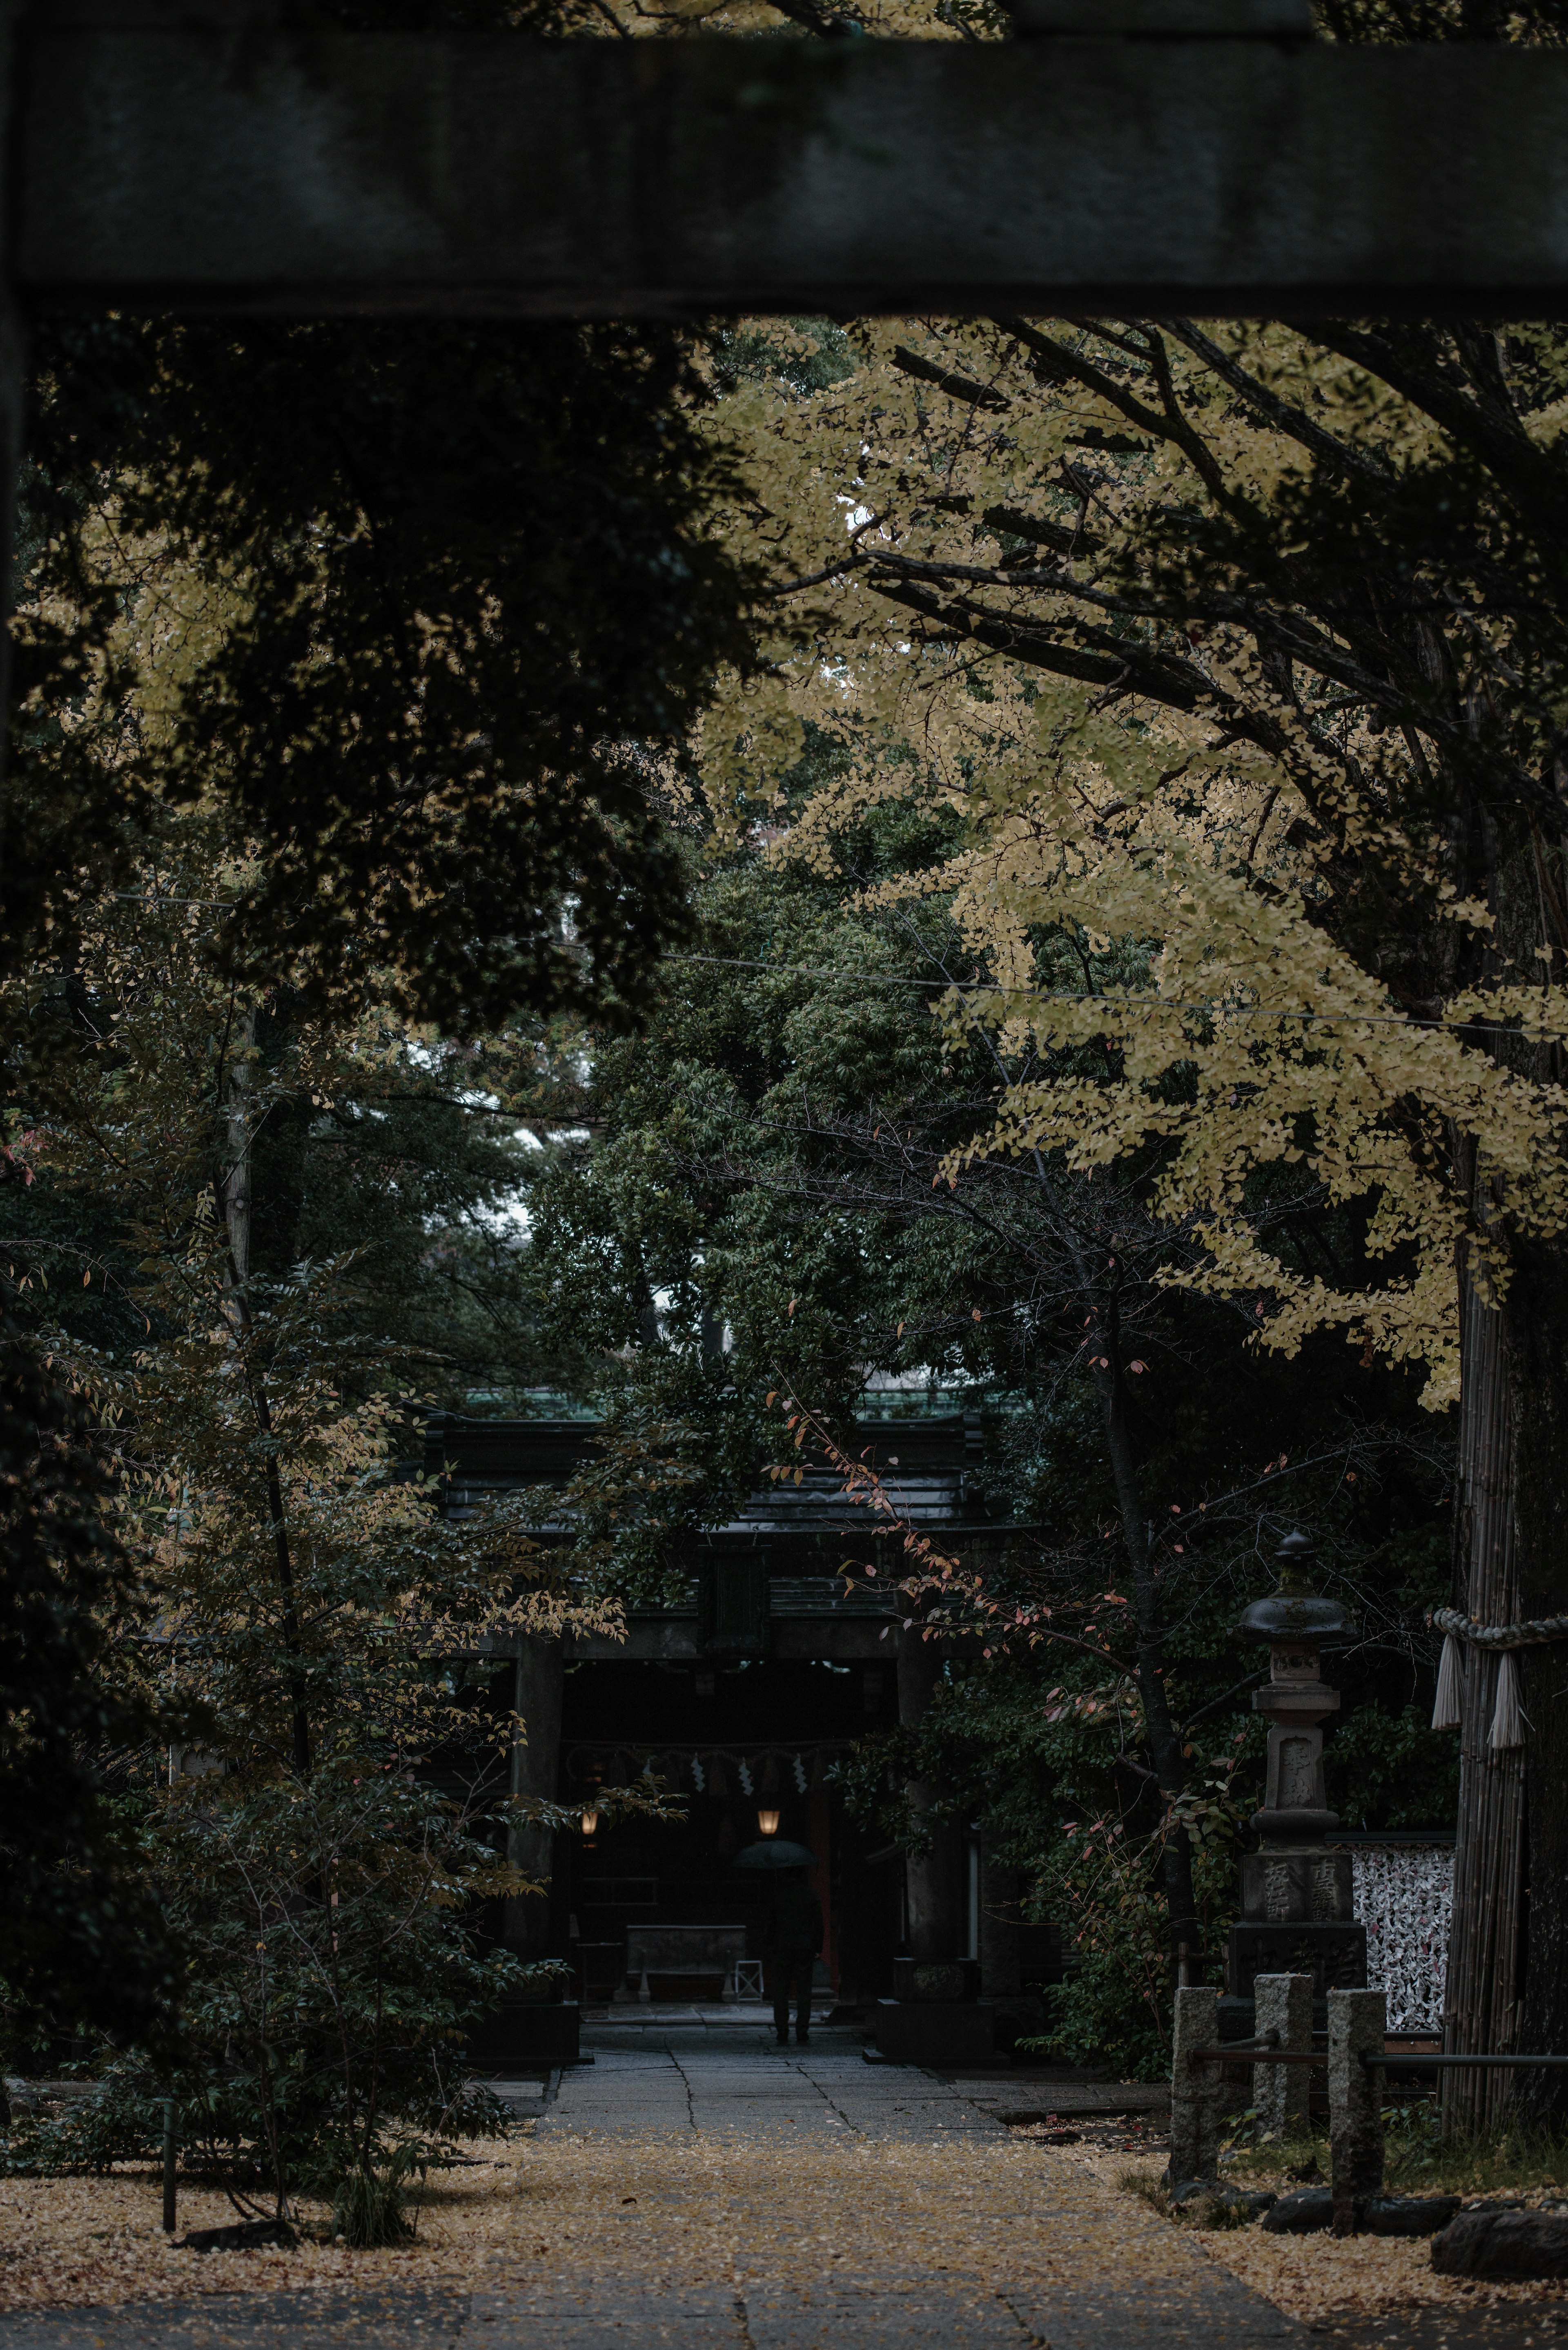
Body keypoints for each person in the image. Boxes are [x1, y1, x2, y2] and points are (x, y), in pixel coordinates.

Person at [757, 1866, 822, 2045]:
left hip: (782, 1946)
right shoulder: (811, 1895)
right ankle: (802, 2030)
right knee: (804, 1990)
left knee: (780, 1990)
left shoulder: (777, 1895)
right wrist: (818, 1946)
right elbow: (818, 1923)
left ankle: (782, 2031)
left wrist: (769, 1943)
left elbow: (770, 1923)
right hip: (804, 1946)